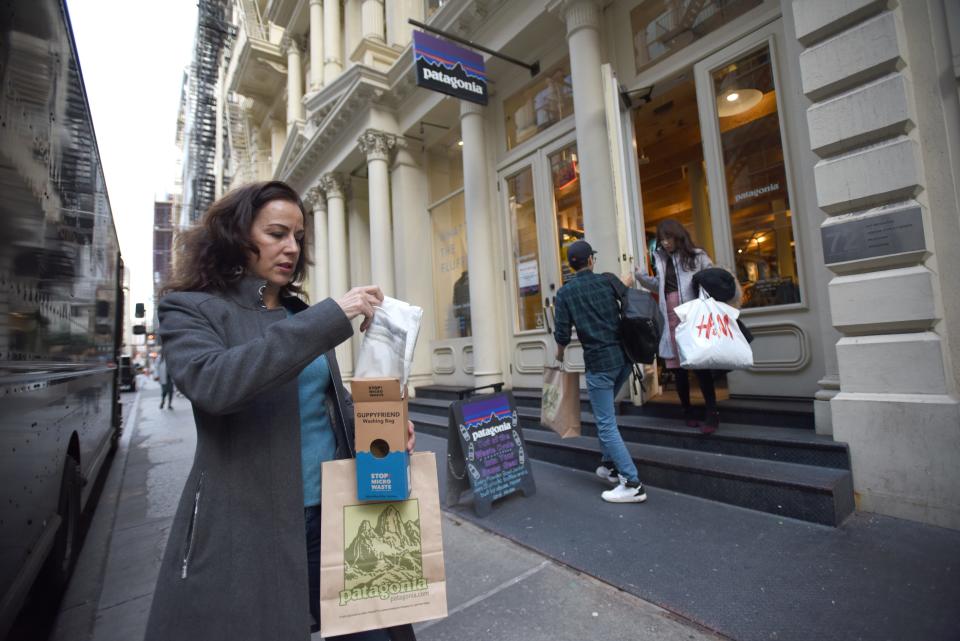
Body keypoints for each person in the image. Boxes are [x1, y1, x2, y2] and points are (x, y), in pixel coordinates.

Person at [143, 181, 416, 641]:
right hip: (251, 529)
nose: (292, 247)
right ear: (235, 236)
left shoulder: (298, 313)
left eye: (298, 236)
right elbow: (215, 384)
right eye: (276, 234)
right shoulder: (189, 310)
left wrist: (381, 427)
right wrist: (330, 315)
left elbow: (323, 402)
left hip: (338, 517)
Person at [553, 240, 647, 504]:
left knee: (605, 424)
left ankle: (632, 483)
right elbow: (625, 294)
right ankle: (610, 466)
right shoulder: (607, 281)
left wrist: (558, 357)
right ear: (591, 261)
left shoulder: (565, 294)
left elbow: (561, 334)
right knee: (602, 414)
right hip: (623, 361)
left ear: (571, 266)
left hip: (600, 366)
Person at [633, 219, 718, 434]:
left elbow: (712, 278)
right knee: (678, 368)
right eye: (662, 239)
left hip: (692, 317)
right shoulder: (662, 260)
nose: (665, 243)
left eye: (668, 238)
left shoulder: (697, 256)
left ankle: (711, 415)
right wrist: (642, 278)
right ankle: (687, 411)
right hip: (670, 317)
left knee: (700, 367)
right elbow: (661, 285)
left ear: (678, 236)